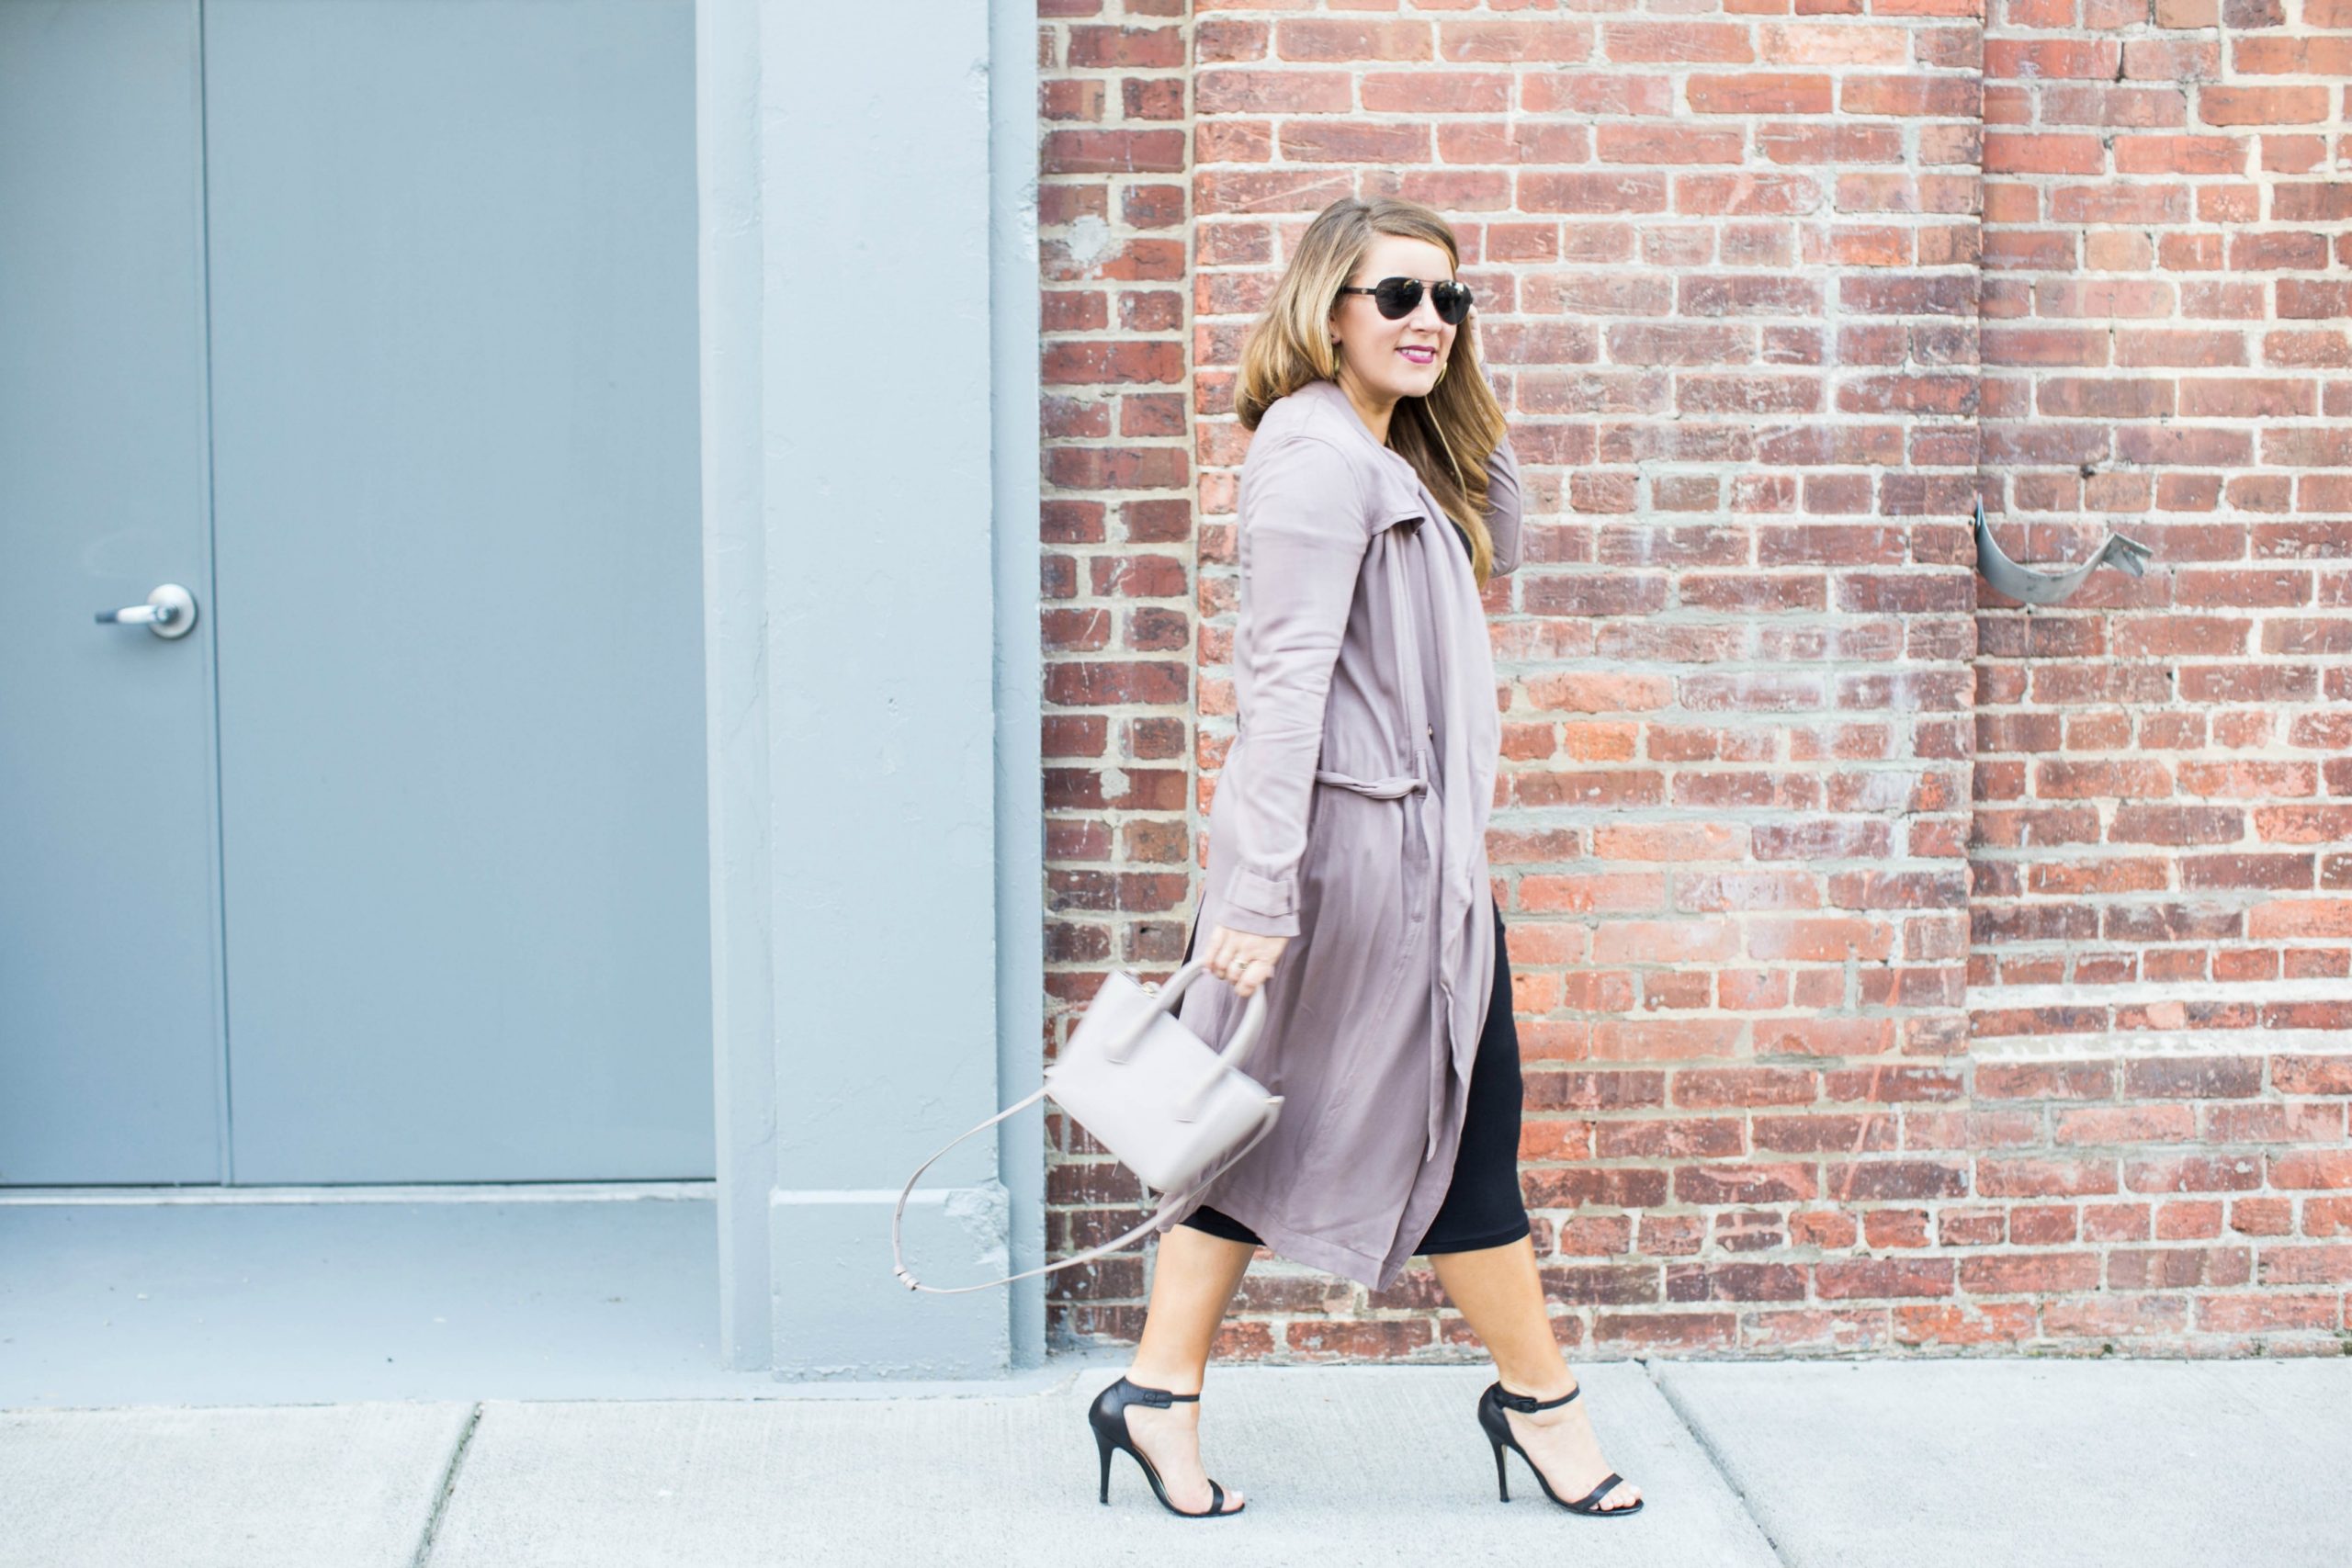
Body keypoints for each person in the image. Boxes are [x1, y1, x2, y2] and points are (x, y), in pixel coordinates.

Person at [1083, 197, 1645, 1522]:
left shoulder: (1385, 450)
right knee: (1465, 1131)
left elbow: (1511, 540)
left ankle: (1155, 1397)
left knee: (1253, 1122)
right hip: (1355, 874)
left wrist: (1458, 396)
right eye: (1397, 296)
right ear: (1326, 303)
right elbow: (1282, 690)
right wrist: (1261, 892)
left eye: (1453, 299)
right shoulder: (1316, 459)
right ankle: (1542, 1406)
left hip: (1413, 866)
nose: (1430, 322)